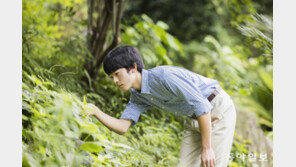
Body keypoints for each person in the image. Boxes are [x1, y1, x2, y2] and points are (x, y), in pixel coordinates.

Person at [85, 45, 236, 167]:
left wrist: (207, 148)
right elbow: (123, 127)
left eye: (117, 74)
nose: (115, 81)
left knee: (212, 164)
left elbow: (202, 107)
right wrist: (96, 112)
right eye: (112, 77)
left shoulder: (165, 76)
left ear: (133, 67)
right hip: (195, 117)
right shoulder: (137, 96)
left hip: (217, 109)